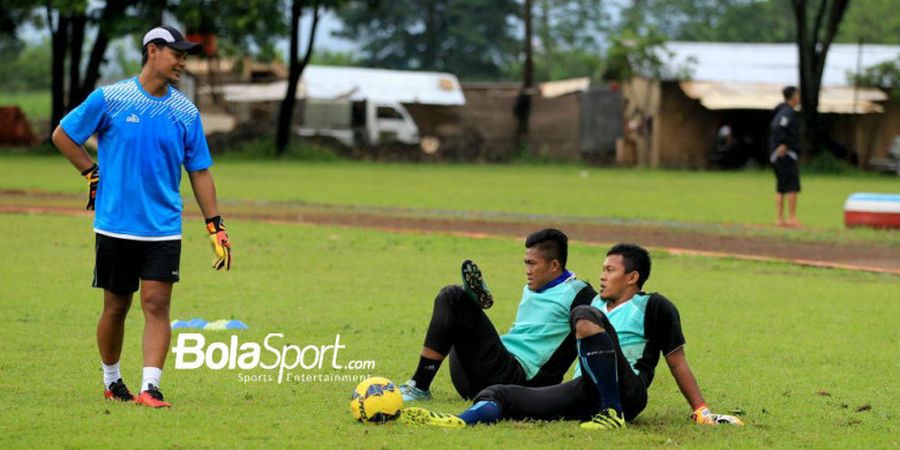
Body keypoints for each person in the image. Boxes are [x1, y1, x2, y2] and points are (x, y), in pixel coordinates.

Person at [51, 26, 232, 408]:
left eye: (185, 54)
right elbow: (64, 134)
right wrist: (91, 171)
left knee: (157, 305)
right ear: (153, 51)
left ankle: (150, 387)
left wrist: (214, 223)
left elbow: (199, 170)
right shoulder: (111, 98)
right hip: (116, 225)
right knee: (116, 307)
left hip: (164, 227)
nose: (182, 60)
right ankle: (112, 380)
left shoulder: (185, 111)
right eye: (176, 53)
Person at [401, 243, 743, 430]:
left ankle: (612, 413)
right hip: (583, 390)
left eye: (610, 269)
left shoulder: (654, 306)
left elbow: (677, 361)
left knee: (582, 314)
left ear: (632, 276)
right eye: (603, 268)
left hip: (627, 393)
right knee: (498, 393)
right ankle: (457, 422)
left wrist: (701, 410)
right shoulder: (594, 303)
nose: (603, 275)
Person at [398, 228, 597, 402]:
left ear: (554, 266)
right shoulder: (534, 286)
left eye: (532, 264)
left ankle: (419, 385)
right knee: (455, 308)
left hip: (519, 382)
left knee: (453, 296)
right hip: (478, 379)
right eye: (525, 263)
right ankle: (471, 301)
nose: (527, 271)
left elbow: (606, 325)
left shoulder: (579, 294)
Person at [770, 86, 802, 227]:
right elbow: (778, 126)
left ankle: (779, 219)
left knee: (781, 187)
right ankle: (792, 218)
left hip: (778, 155)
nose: (799, 98)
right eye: (798, 95)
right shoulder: (787, 112)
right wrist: (783, 144)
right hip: (785, 154)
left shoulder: (780, 110)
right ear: (793, 96)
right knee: (791, 186)